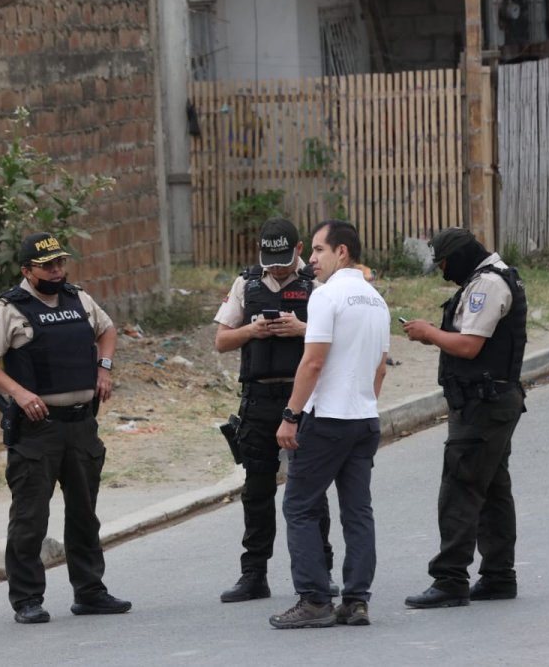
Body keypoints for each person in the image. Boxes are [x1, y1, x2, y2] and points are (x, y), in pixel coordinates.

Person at [0, 233, 131, 625]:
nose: (57, 270)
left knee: (83, 513)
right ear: (27, 271)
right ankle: (27, 599)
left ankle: (90, 591)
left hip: (80, 425)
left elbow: (107, 331)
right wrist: (19, 393)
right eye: (48, 265)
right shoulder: (9, 308)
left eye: (61, 263)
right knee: (30, 519)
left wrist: (104, 369)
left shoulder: (79, 299)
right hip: (38, 430)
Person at [268, 219, 389, 629]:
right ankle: (356, 601)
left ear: (343, 252)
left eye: (319, 250)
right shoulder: (376, 300)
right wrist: (364, 402)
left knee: (299, 506)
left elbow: (313, 360)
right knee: (358, 511)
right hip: (364, 419)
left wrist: (290, 415)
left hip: (328, 420)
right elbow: (380, 368)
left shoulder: (326, 297)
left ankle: (315, 599)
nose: (311, 259)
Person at [213, 218, 338, 604]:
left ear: (299, 250)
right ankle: (253, 575)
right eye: (271, 260)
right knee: (257, 489)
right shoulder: (246, 283)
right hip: (258, 400)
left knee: (310, 490)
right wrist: (253, 331)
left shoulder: (317, 285)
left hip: (301, 398)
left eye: (284, 260)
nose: (277, 269)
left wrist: (300, 329)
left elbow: (335, 336)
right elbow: (221, 340)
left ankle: (322, 571)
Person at [401, 227, 527, 609]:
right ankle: (498, 576)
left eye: (443, 264)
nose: (443, 272)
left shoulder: (487, 284)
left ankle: (450, 578)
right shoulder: (492, 276)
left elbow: (469, 345)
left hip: (481, 405)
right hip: (491, 401)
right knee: (492, 489)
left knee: (460, 489)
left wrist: (429, 333)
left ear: (457, 256)